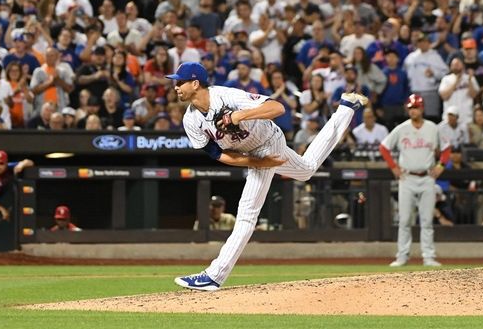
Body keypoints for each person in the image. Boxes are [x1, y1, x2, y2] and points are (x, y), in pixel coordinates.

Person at [170, 62, 367, 291]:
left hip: (269, 142)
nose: (175, 86)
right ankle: (346, 108)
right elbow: (219, 154)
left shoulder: (227, 96)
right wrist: (258, 163)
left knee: (246, 214)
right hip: (255, 154)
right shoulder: (190, 120)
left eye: (180, 82)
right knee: (306, 170)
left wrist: (239, 116)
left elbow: (278, 108)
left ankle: (214, 276)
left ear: (195, 83)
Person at [379, 94, 451, 267]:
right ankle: (402, 256)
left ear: (422, 109)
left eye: (416, 107)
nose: (413, 111)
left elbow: (447, 149)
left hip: (426, 177)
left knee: (426, 220)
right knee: (404, 220)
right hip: (407, 177)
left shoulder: (432, 128)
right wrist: (393, 167)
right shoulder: (402, 128)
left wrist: (441, 166)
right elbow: (384, 147)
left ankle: (428, 256)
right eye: (411, 108)